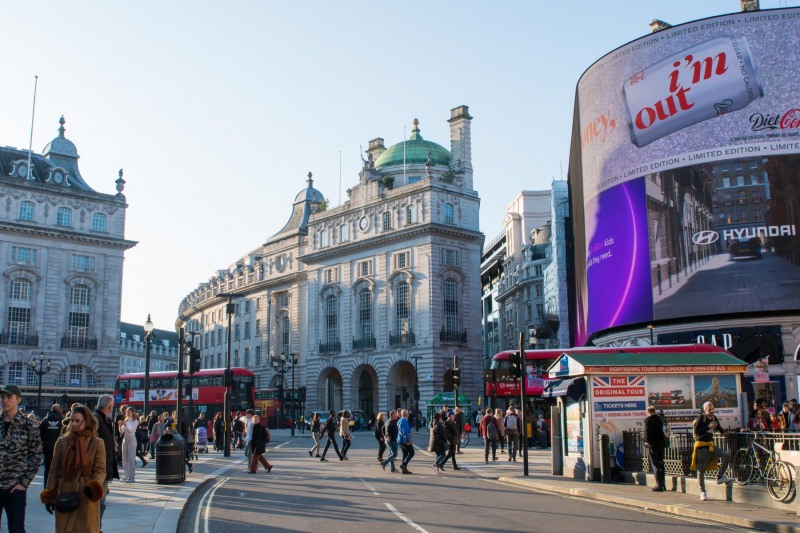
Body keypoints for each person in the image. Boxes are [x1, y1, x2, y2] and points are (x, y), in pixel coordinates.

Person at [40, 404, 105, 532]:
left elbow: (100, 470)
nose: (74, 424)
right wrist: (50, 493)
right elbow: (53, 470)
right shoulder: (62, 441)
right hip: (65, 492)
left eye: (77, 421)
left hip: (86, 494)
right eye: (72, 420)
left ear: (86, 421)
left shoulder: (97, 443)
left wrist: (94, 486)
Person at [0, 384, 42, 532]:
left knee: (17, 529)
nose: (5, 400)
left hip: (15, 487)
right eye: (3, 397)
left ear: (18, 400)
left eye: (9, 397)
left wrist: (24, 483)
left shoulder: (28, 425)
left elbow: (36, 455)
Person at [692, 401, 733, 501]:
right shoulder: (701, 417)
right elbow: (697, 431)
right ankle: (702, 491)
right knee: (700, 470)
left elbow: (719, 427)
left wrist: (724, 432)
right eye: (709, 408)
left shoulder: (714, 418)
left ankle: (720, 477)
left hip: (711, 445)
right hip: (701, 446)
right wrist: (708, 427)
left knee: (726, 455)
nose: (711, 410)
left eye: (712, 408)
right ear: (705, 409)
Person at [93, 394, 118, 526]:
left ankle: (97, 527)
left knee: (101, 503)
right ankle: (95, 528)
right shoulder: (97, 419)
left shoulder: (104, 419)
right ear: (110, 407)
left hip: (104, 466)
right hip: (99, 468)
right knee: (98, 503)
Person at [39, 404, 64, 483]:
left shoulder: (45, 421)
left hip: (47, 449)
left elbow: (39, 434)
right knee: (59, 471)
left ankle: (47, 488)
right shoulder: (63, 421)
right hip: (60, 450)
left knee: (48, 470)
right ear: (60, 411)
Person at [644, 406, 667, 492]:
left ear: (648, 412)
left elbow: (647, 434)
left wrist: (646, 441)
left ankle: (659, 485)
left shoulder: (648, 421)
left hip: (652, 445)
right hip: (660, 445)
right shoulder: (660, 420)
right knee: (661, 464)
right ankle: (663, 484)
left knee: (655, 465)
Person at [119, 408, 140, 482]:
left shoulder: (135, 421)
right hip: (125, 439)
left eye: (129, 412)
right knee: (124, 458)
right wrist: (121, 425)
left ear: (132, 413)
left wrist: (125, 425)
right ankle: (126, 475)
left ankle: (132, 477)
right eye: (126, 412)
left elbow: (131, 431)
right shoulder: (126, 420)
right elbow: (121, 431)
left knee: (131, 459)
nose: (127, 413)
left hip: (132, 440)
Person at [398, 409, 414, 474]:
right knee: (412, 453)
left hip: (400, 440)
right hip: (404, 440)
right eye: (408, 413)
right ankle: (404, 465)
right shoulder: (404, 421)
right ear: (407, 414)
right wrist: (408, 441)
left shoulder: (399, 420)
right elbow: (405, 432)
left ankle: (404, 470)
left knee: (405, 454)